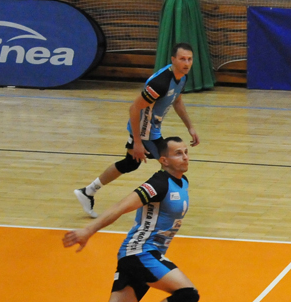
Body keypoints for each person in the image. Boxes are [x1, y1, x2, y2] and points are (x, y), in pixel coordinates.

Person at [31, 137, 200, 302]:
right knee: (187, 294)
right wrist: (89, 230)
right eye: (178, 153)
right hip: (140, 253)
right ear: (164, 160)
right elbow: (121, 206)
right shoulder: (158, 184)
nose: (185, 157)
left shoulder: (182, 181)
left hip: (143, 255)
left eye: (185, 152)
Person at [74, 43, 201, 219]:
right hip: (144, 132)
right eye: (182, 59)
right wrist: (138, 142)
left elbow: (177, 101)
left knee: (130, 163)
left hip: (152, 130)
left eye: (189, 59)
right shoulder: (160, 83)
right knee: (171, 164)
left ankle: (88, 191)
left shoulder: (182, 77)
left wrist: (190, 127)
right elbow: (134, 108)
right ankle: (160, 205)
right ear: (173, 60)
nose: (186, 63)